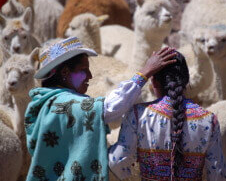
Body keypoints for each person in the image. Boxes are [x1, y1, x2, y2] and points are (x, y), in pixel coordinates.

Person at [24, 36, 177, 181]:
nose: (90, 76)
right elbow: (110, 108)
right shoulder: (65, 104)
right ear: (65, 72)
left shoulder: (46, 102)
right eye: (84, 70)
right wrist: (145, 72)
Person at [109, 50, 226, 181]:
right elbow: (218, 175)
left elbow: (116, 162)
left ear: (153, 82)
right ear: (186, 81)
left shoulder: (138, 115)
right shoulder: (208, 120)